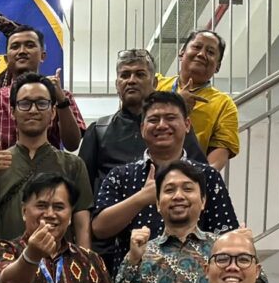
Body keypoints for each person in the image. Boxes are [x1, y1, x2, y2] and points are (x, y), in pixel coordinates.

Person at [90, 96, 240, 269]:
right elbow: (99, 229)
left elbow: (226, 234)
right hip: (134, 280)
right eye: (154, 120)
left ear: (187, 125)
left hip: (198, 280)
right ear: (142, 128)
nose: (162, 125)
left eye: (170, 118)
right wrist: (140, 199)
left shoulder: (207, 175)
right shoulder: (121, 175)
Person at [110, 160, 241, 283]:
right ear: (157, 203)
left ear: (203, 201)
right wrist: (133, 261)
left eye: (187, 189)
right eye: (169, 190)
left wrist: (247, 251)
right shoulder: (141, 252)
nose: (178, 196)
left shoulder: (223, 250)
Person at [0, 75, 94, 246]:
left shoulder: (73, 164)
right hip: (7, 259)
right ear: (13, 112)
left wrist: (85, 258)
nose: (33, 110)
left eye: (41, 103)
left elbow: (82, 223)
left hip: (58, 260)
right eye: (25, 104)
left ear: (53, 112)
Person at [78, 50, 208, 188]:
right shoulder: (98, 130)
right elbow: (81, 189)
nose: (131, 80)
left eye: (140, 74)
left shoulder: (173, 128)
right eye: (125, 75)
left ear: (155, 83)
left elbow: (201, 178)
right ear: (117, 84)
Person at [0, 22, 85, 150]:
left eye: (30, 45)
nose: (22, 51)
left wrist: (61, 102)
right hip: (3, 163)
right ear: (6, 58)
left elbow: (72, 145)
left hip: (48, 162)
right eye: (15, 46)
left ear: (42, 55)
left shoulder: (62, 96)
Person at [161, 30, 238, 169]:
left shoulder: (224, 105)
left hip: (189, 177)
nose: (202, 54)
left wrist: (200, 179)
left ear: (218, 66)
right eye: (197, 47)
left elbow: (218, 156)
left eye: (210, 52)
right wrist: (178, 104)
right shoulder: (155, 84)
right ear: (181, 52)